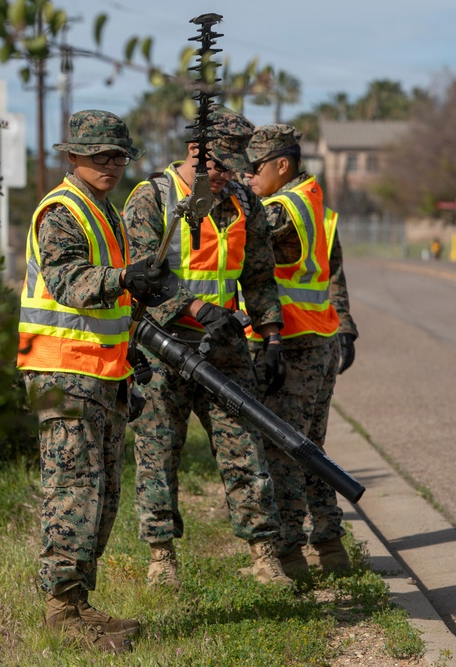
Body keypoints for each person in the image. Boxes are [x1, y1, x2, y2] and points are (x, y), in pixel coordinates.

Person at [17, 110, 173, 653]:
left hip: (102, 372)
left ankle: (79, 603)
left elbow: (111, 301)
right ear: (73, 156)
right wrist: (125, 276)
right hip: (64, 373)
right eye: (99, 155)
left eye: (118, 156)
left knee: (101, 497)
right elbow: (68, 282)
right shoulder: (62, 211)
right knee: (73, 493)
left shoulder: (103, 211)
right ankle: (61, 611)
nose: (110, 164)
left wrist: (133, 347)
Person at [122, 105, 294, 589]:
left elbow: (259, 276)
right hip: (164, 347)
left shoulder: (242, 200)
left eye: (233, 167)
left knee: (245, 447)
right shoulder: (152, 199)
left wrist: (272, 336)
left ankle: (264, 554)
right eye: (216, 166)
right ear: (194, 151)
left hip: (224, 348)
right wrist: (193, 308)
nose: (223, 177)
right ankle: (161, 560)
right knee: (158, 453)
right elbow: (142, 276)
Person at [244, 124, 360, 575]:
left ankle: (290, 555)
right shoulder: (315, 204)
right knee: (311, 449)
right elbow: (331, 274)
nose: (250, 177)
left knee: (285, 451)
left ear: (282, 165)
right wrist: (344, 326)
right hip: (318, 339)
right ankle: (330, 545)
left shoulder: (282, 208)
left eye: (255, 169)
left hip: (291, 345)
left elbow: (241, 234)